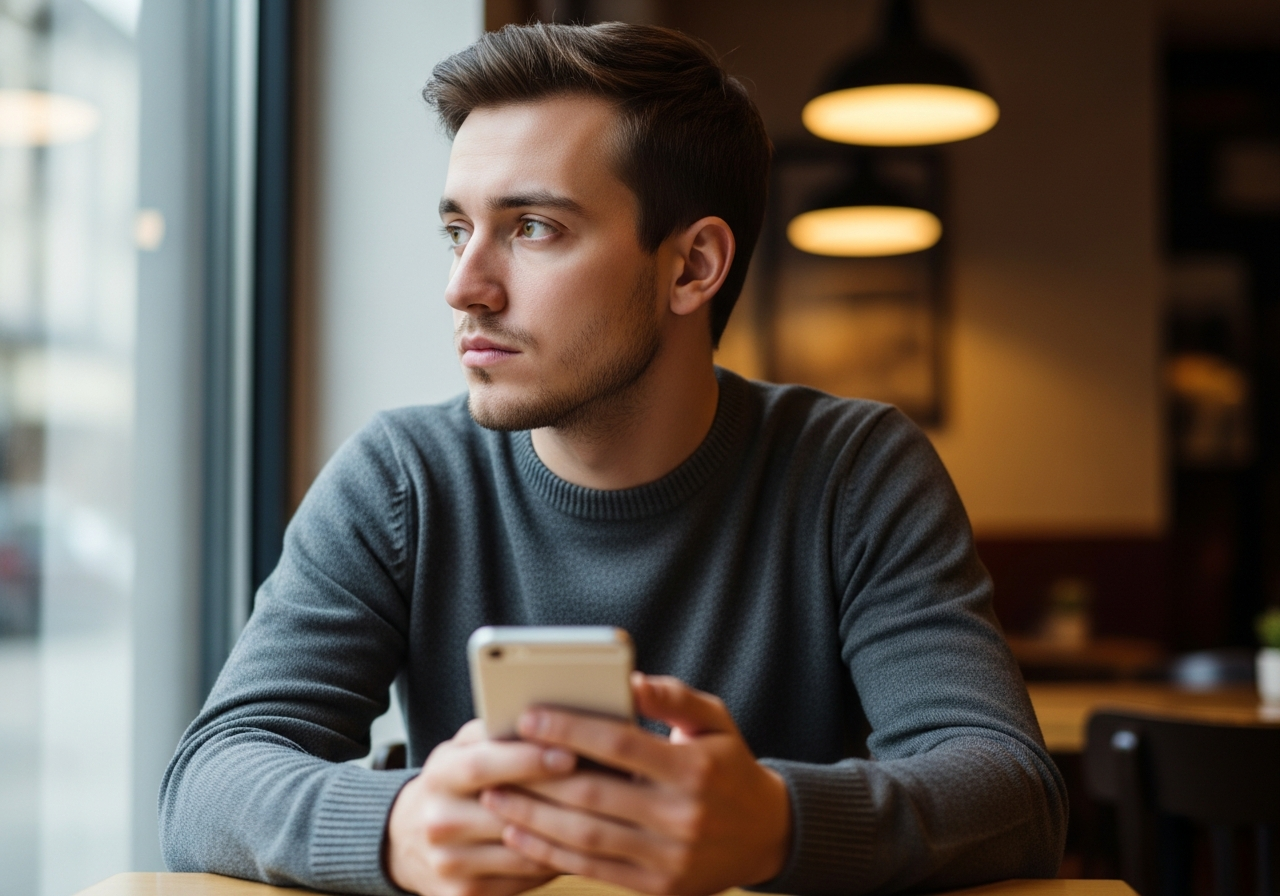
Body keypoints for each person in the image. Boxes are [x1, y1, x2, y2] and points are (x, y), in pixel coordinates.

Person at [160, 21, 1067, 896]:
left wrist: (776, 823)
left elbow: (1012, 791)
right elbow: (211, 777)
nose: (464, 286)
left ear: (691, 267)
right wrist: (396, 829)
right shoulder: (401, 475)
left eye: (532, 228)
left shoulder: (854, 471)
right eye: (456, 230)